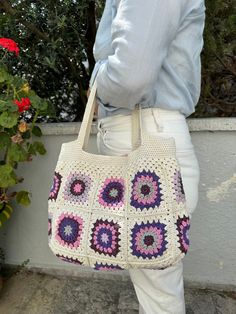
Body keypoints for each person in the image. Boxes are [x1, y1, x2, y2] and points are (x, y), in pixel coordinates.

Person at [89, 1, 206, 313]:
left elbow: (131, 75)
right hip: (145, 135)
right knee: (156, 283)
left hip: (145, 140)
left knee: (158, 290)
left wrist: (98, 87)